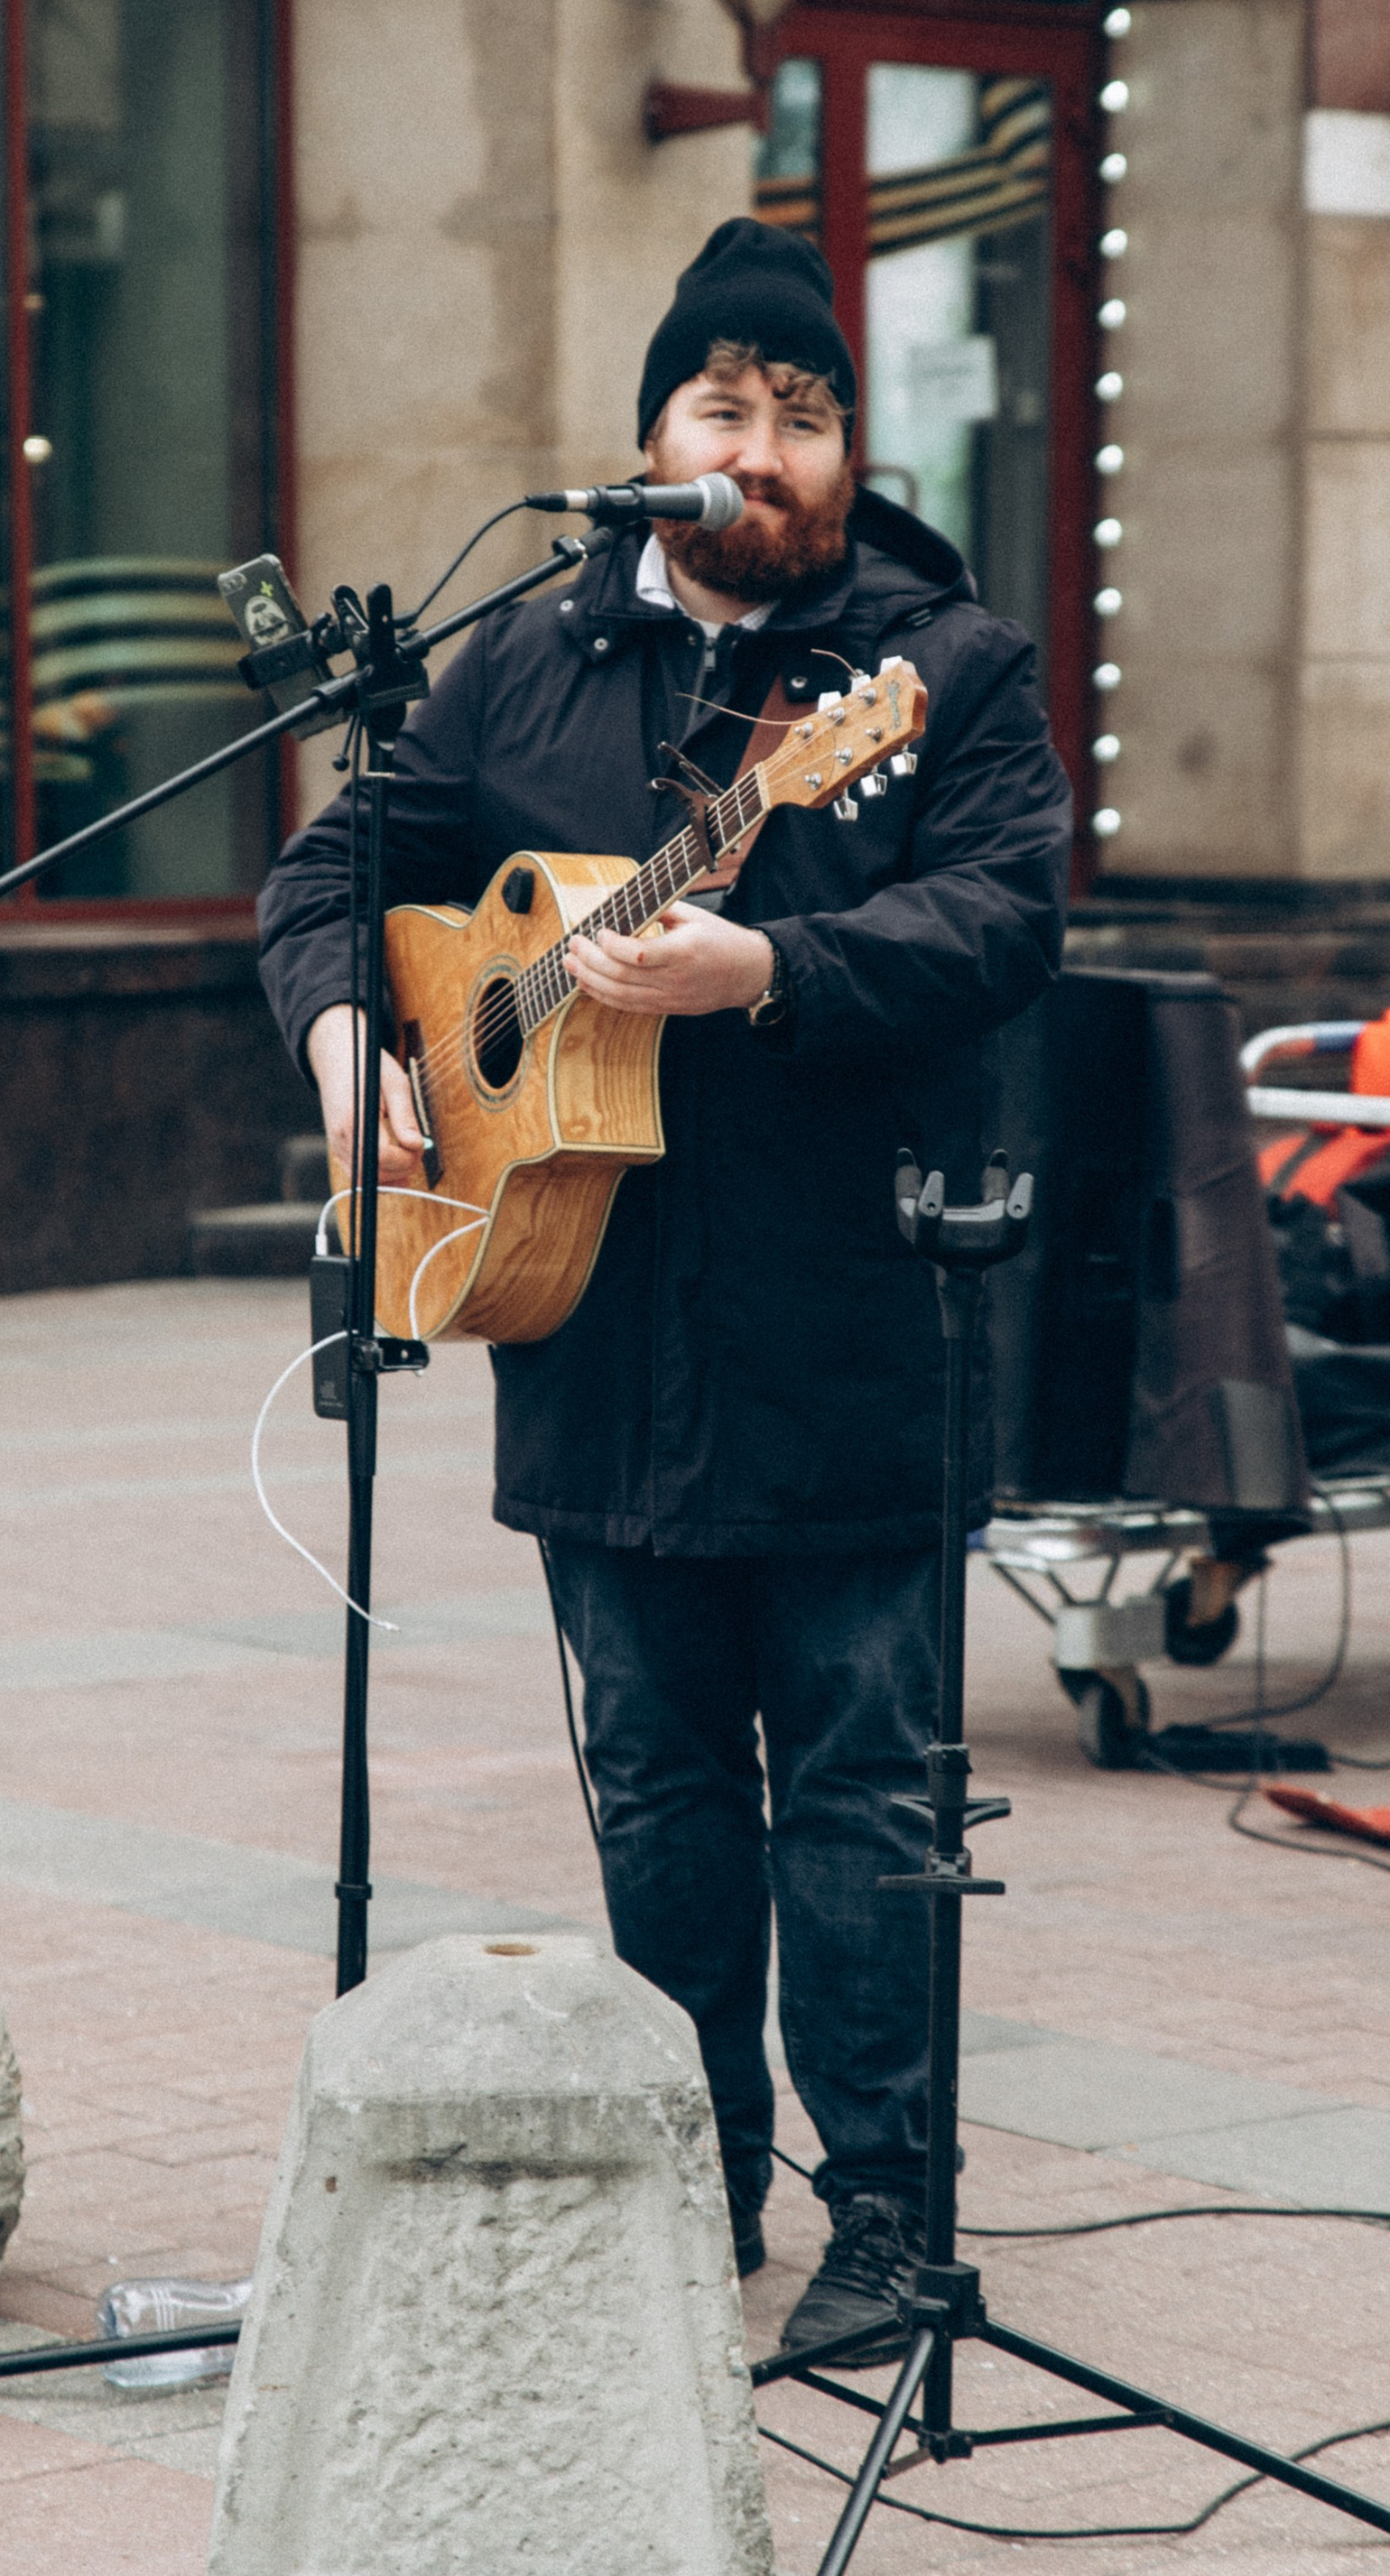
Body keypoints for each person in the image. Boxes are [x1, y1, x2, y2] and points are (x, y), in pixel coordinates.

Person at [256, 218, 1072, 2361]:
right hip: (588, 1327)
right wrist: (360, 1051)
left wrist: (772, 967)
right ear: (650, 442)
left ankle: (888, 2215)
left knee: (864, 1782)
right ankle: (688, 2176)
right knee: (651, 1777)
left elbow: (1003, 916)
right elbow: (338, 872)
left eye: (803, 410)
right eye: (724, 406)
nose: (765, 445)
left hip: (848, 1326)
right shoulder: (523, 653)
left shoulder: (938, 667)